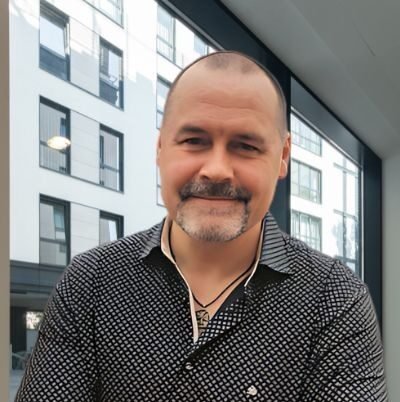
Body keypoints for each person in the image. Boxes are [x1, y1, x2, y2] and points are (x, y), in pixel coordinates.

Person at [16, 51, 387, 401]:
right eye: (194, 141)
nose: (216, 170)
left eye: (246, 146)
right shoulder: (90, 283)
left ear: (283, 157)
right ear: (161, 149)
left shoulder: (335, 300)